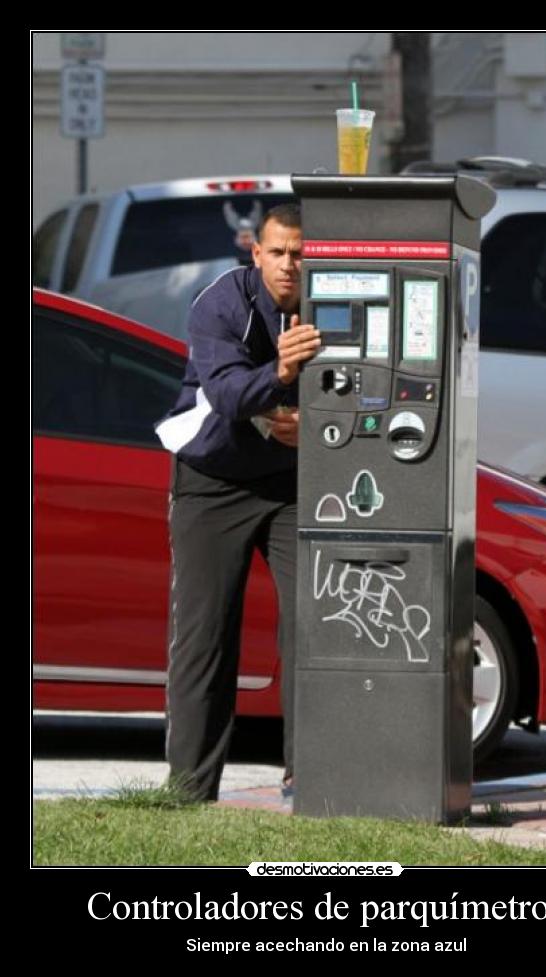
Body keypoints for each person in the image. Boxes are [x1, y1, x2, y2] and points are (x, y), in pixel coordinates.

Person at [155, 203, 320, 801]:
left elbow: (363, 386)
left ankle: (309, 779)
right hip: (211, 479)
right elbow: (224, 395)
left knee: (313, 622)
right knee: (205, 636)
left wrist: (313, 420)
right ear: (256, 254)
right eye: (277, 253)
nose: (289, 266)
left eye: (300, 254)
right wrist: (279, 374)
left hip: (289, 483)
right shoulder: (218, 303)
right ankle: (190, 791)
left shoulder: (333, 304)